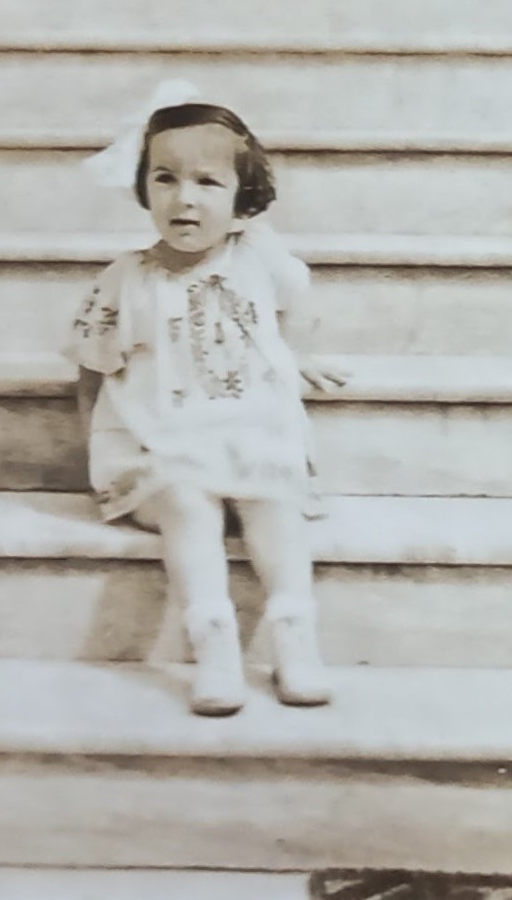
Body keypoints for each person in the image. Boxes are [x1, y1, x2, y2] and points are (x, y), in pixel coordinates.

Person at [69, 83, 345, 716]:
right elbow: (91, 367)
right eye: (164, 178)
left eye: (208, 182)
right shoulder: (126, 278)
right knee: (187, 504)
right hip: (161, 442)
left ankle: (295, 637)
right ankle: (213, 641)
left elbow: (284, 309)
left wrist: (292, 357)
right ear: (143, 188)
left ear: (242, 199)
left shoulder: (258, 258)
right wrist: (96, 449)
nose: (184, 198)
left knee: (274, 500)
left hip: (247, 433)